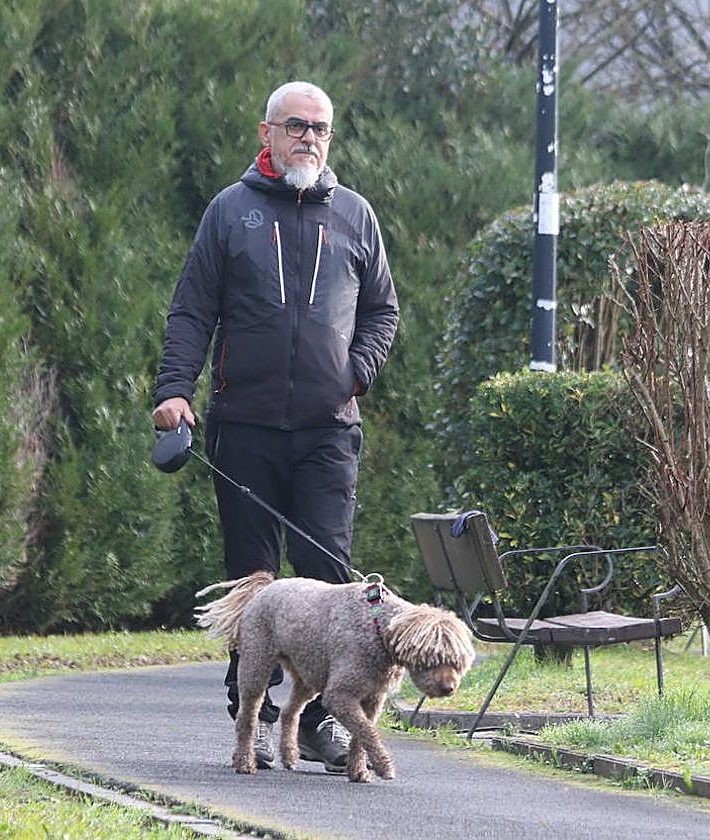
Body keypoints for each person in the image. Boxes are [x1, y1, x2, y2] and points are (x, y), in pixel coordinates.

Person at [152, 81, 398, 773]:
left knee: (331, 577)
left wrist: (355, 375)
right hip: (245, 425)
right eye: (296, 126)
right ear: (267, 133)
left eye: (320, 128)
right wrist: (174, 390)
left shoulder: (355, 214)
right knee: (252, 581)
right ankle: (251, 718)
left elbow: (382, 311)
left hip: (329, 430)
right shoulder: (230, 211)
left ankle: (321, 722)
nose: (309, 138)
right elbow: (192, 309)